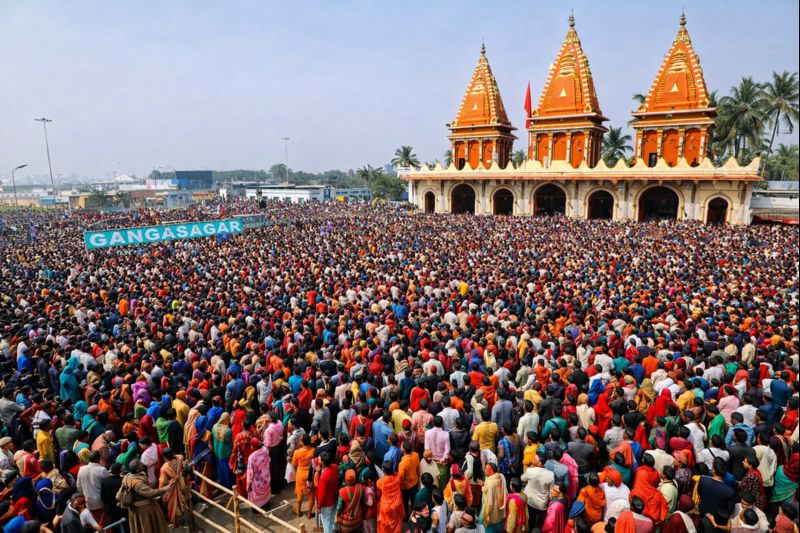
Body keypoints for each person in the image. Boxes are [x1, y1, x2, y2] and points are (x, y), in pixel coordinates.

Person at [121, 459, 171, 533]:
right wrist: (165, 489)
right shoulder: (136, 483)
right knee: (147, 528)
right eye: (140, 464)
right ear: (138, 469)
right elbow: (150, 493)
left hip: (138, 509)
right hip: (144, 511)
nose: (142, 464)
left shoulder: (128, 476)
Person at [377, 460, 404, 533]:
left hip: (386, 506)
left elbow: (378, 493)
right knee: (396, 521)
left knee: (386, 525)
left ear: (383, 470)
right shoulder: (398, 477)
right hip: (397, 503)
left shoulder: (380, 482)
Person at [292, 434, 315, 518]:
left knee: (300, 494)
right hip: (310, 474)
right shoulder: (313, 450)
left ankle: (298, 511)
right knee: (311, 495)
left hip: (300, 474)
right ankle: (309, 514)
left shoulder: (297, 452)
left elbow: (294, 464)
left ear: (302, 442)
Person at [316, 452, 339, 533]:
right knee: (332, 517)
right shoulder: (335, 467)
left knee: (326, 523)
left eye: (319, 458)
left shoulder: (324, 477)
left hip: (327, 503)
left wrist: (319, 506)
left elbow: (322, 494)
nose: (318, 458)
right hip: (334, 498)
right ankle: (335, 528)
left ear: (322, 462)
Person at [246, 437, 272, 509]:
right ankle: (266, 503)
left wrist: (249, 485)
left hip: (257, 481)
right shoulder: (265, 450)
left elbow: (250, 473)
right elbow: (269, 460)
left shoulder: (252, 457)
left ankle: (257, 509)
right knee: (265, 491)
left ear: (253, 446)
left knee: (256, 495)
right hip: (266, 476)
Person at [335, 469, 363, 533]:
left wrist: (336, 516)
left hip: (346, 521)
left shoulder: (342, 491)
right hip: (358, 518)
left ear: (345, 480)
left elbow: (339, 507)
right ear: (355, 479)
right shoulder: (360, 488)